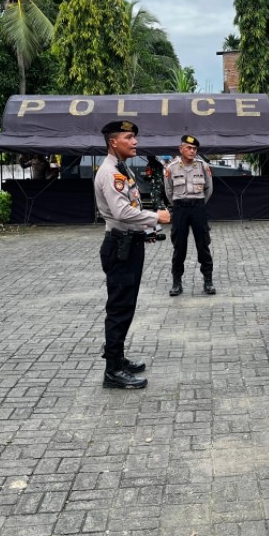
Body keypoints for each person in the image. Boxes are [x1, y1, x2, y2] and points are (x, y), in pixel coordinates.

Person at [94, 120, 171, 389]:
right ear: (113, 142)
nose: (135, 142)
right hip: (118, 248)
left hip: (128, 243)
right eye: (129, 137)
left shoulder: (120, 167)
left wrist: (143, 231)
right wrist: (155, 217)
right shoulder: (109, 173)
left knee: (125, 307)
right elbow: (122, 213)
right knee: (119, 309)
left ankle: (118, 357)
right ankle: (112, 371)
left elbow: (128, 209)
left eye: (135, 137)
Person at [164, 135, 215, 296]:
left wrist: (198, 203)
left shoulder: (203, 166)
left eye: (194, 149)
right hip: (180, 209)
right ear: (181, 149)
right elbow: (168, 191)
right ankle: (176, 282)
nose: (192, 151)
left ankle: (208, 281)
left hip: (198, 208)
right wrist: (178, 205)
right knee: (179, 247)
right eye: (189, 148)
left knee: (203, 246)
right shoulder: (171, 168)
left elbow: (209, 189)